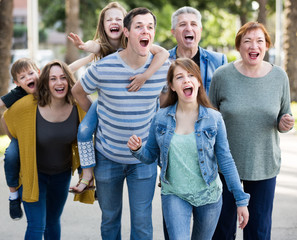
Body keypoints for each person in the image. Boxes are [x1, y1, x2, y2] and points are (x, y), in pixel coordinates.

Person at [71, 7, 170, 239]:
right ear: (126, 32)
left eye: (150, 27)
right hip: (107, 158)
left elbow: (165, 101)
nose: (145, 31)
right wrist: (100, 114)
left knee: (143, 223)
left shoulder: (163, 68)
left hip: (143, 160)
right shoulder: (103, 67)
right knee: (110, 220)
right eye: (138, 26)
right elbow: (78, 91)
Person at [127, 58, 249, 240]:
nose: (186, 80)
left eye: (191, 75)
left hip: (208, 195)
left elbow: (225, 159)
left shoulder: (214, 118)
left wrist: (241, 200)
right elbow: (150, 156)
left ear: (198, 82)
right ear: (172, 86)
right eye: (179, 77)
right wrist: (137, 149)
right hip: (174, 193)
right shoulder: (160, 117)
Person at [209, 22, 295, 240]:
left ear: (266, 46)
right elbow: (209, 120)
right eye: (247, 41)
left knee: (258, 231)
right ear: (239, 46)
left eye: (259, 41)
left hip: (264, 166)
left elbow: (283, 117)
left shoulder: (279, 77)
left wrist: (284, 124)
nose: (253, 45)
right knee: (222, 230)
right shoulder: (222, 76)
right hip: (226, 169)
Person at [2, 60, 94, 239]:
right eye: (53, 79)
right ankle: (13, 196)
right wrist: (18, 140)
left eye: (62, 78)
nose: (59, 83)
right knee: (37, 225)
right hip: (33, 174)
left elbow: (88, 135)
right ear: (46, 82)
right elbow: (6, 118)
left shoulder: (78, 105)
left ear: (68, 80)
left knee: (53, 222)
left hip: (61, 174)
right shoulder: (27, 104)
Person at [0, 58, 40, 221]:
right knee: (10, 156)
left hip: (44, 133)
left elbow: (68, 69)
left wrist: (89, 58)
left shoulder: (47, 83)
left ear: (38, 72)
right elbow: (1, 105)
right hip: (22, 135)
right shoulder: (18, 94)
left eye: (31, 73)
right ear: (17, 83)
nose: (28, 78)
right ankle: (13, 196)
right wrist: (11, 136)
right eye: (22, 77)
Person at [168, 6, 227, 95]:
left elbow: (225, 97)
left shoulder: (218, 61)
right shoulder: (162, 60)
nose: (189, 28)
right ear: (173, 32)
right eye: (182, 24)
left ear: (200, 30)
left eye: (193, 24)